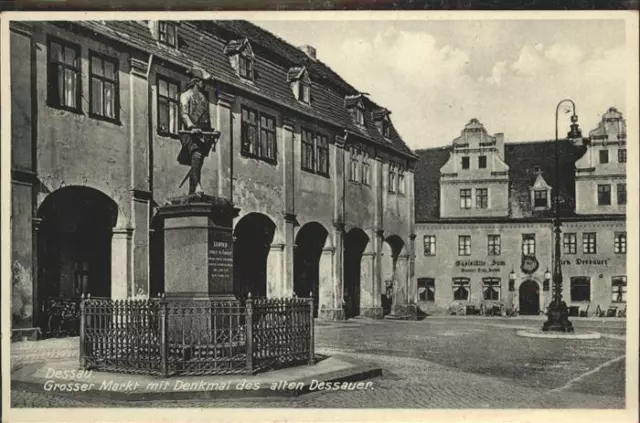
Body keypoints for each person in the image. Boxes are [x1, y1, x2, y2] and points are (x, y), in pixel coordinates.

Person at [177, 68, 215, 196]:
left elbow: (206, 119)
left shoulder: (204, 99)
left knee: (198, 162)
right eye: (202, 82)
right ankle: (197, 185)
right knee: (196, 156)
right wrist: (192, 127)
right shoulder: (185, 96)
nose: (204, 85)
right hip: (190, 135)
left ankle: (192, 190)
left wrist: (212, 133)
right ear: (196, 82)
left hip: (203, 135)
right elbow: (184, 114)